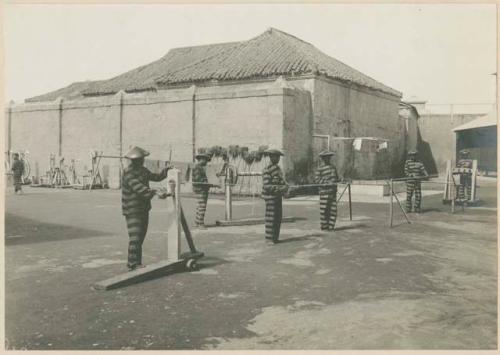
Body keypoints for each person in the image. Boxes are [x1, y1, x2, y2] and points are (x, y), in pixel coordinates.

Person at [122, 146, 170, 271]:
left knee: (141, 236)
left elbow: (156, 177)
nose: (142, 161)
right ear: (134, 160)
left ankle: (136, 262)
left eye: (142, 159)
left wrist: (166, 171)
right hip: (132, 209)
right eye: (140, 159)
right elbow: (139, 188)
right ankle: (132, 263)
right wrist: (155, 192)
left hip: (143, 208)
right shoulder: (128, 173)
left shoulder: (143, 170)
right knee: (135, 237)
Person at [261, 149, 288, 243]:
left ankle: (275, 238)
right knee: (270, 219)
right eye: (277, 157)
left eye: (279, 157)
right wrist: (281, 188)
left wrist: (285, 187)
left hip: (278, 197)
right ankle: (269, 239)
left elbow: (282, 182)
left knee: (278, 218)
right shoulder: (267, 170)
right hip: (270, 198)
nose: (278, 159)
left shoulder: (278, 169)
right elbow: (267, 186)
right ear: (271, 157)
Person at [314, 150, 339, 231]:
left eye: (329, 157)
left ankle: (331, 226)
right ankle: (324, 227)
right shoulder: (319, 169)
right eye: (325, 158)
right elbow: (317, 180)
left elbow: (336, 178)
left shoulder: (333, 167)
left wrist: (341, 180)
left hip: (332, 193)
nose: (327, 159)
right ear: (322, 159)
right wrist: (327, 182)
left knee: (333, 210)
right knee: (324, 210)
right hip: (324, 193)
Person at [192, 153, 211, 229]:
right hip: (200, 189)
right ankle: (200, 223)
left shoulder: (199, 167)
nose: (206, 162)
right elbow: (198, 179)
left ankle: (197, 222)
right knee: (202, 206)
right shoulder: (198, 167)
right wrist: (206, 182)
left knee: (199, 206)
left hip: (200, 189)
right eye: (206, 160)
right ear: (202, 159)